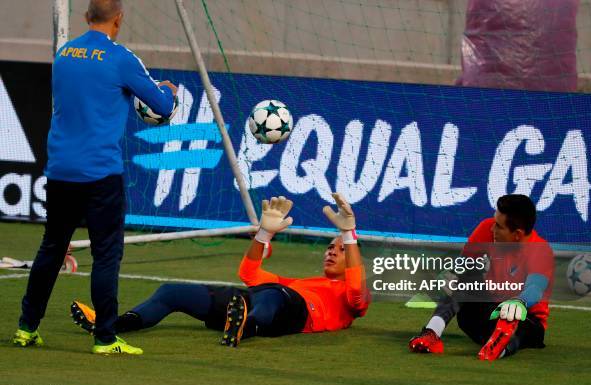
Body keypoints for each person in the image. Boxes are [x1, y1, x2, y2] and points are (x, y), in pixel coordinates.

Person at [12, 0, 178, 355]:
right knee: (106, 254)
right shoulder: (121, 59)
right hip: (100, 173)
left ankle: (26, 327)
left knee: (52, 248)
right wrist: (168, 92)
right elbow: (162, 106)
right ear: (119, 19)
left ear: (87, 17)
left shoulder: (65, 54)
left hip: (60, 169)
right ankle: (105, 338)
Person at [70, 194, 370, 347]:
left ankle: (244, 327)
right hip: (262, 300)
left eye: (340, 249)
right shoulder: (300, 282)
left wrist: (349, 234)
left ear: (355, 259)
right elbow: (250, 274)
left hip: (291, 312)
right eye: (331, 246)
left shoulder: (351, 296)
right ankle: (112, 325)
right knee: (172, 292)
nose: (332, 250)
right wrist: (264, 234)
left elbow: (356, 293)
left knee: (274, 296)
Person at [408, 194, 554, 360]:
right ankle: (432, 332)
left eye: (499, 226)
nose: (493, 229)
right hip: (486, 313)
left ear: (517, 234)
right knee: (464, 279)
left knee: (520, 326)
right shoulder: (487, 229)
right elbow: (462, 266)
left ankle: (501, 346)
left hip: (527, 320)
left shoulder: (540, 250)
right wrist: (447, 277)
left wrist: (519, 302)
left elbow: (535, 288)